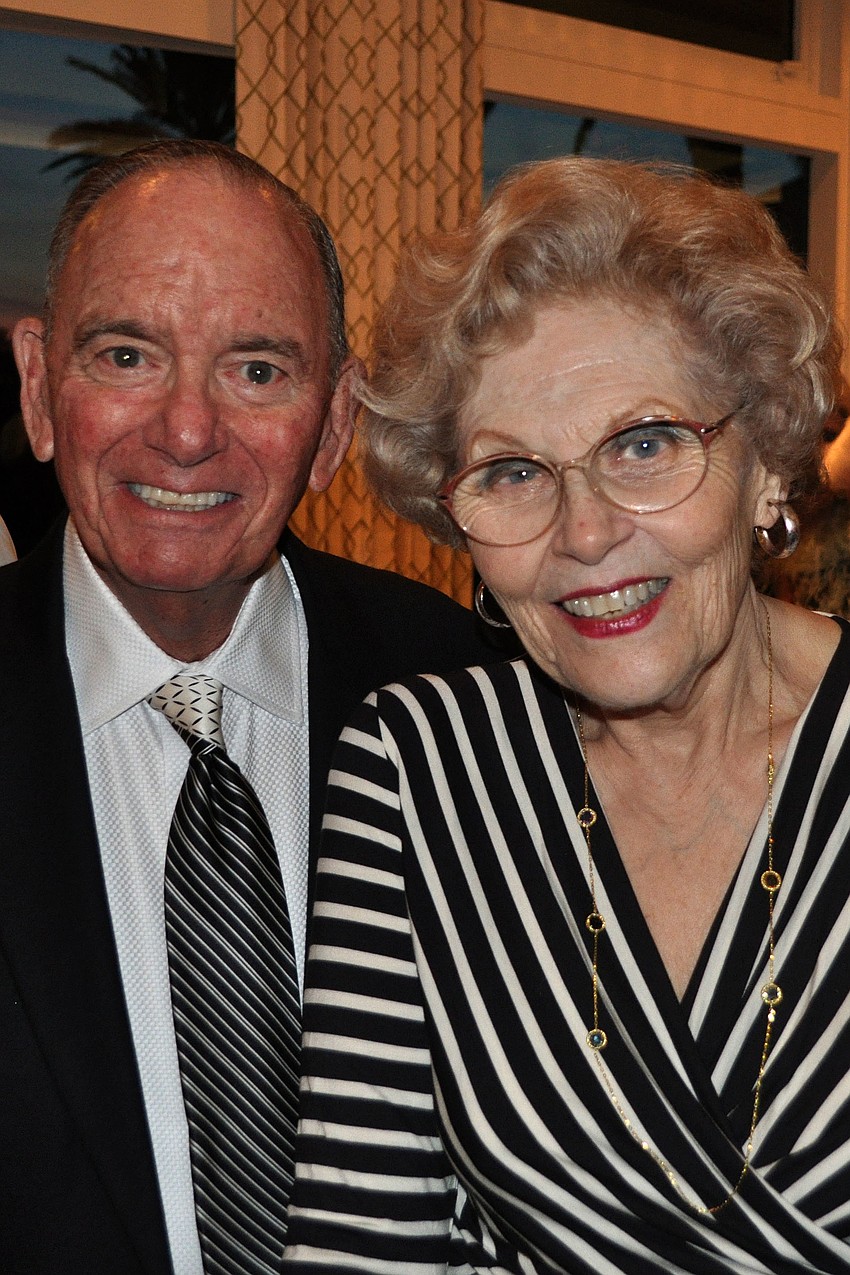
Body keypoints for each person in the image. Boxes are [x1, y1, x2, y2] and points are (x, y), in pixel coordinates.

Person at [284, 158, 850, 1273]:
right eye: (512, 474)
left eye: (642, 445)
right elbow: (365, 1243)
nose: (583, 535)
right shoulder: (417, 773)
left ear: (767, 466)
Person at [0, 139, 496, 1275]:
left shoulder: (466, 698)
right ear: (38, 387)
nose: (185, 431)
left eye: (258, 370)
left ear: (332, 426)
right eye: (126, 353)